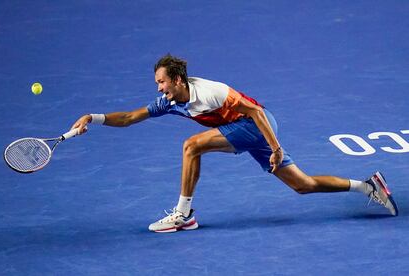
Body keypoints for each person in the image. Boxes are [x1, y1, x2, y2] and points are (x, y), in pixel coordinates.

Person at [71, 54, 399, 233]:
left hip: (257, 125)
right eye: (157, 83)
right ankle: (367, 186)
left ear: (178, 80)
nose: (159, 89)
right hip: (244, 131)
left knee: (191, 145)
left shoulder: (211, 92)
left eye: (162, 82)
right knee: (303, 184)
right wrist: (93, 117)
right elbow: (130, 117)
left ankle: (183, 215)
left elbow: (255, 111)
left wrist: (275, 148)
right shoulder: (171, 102)